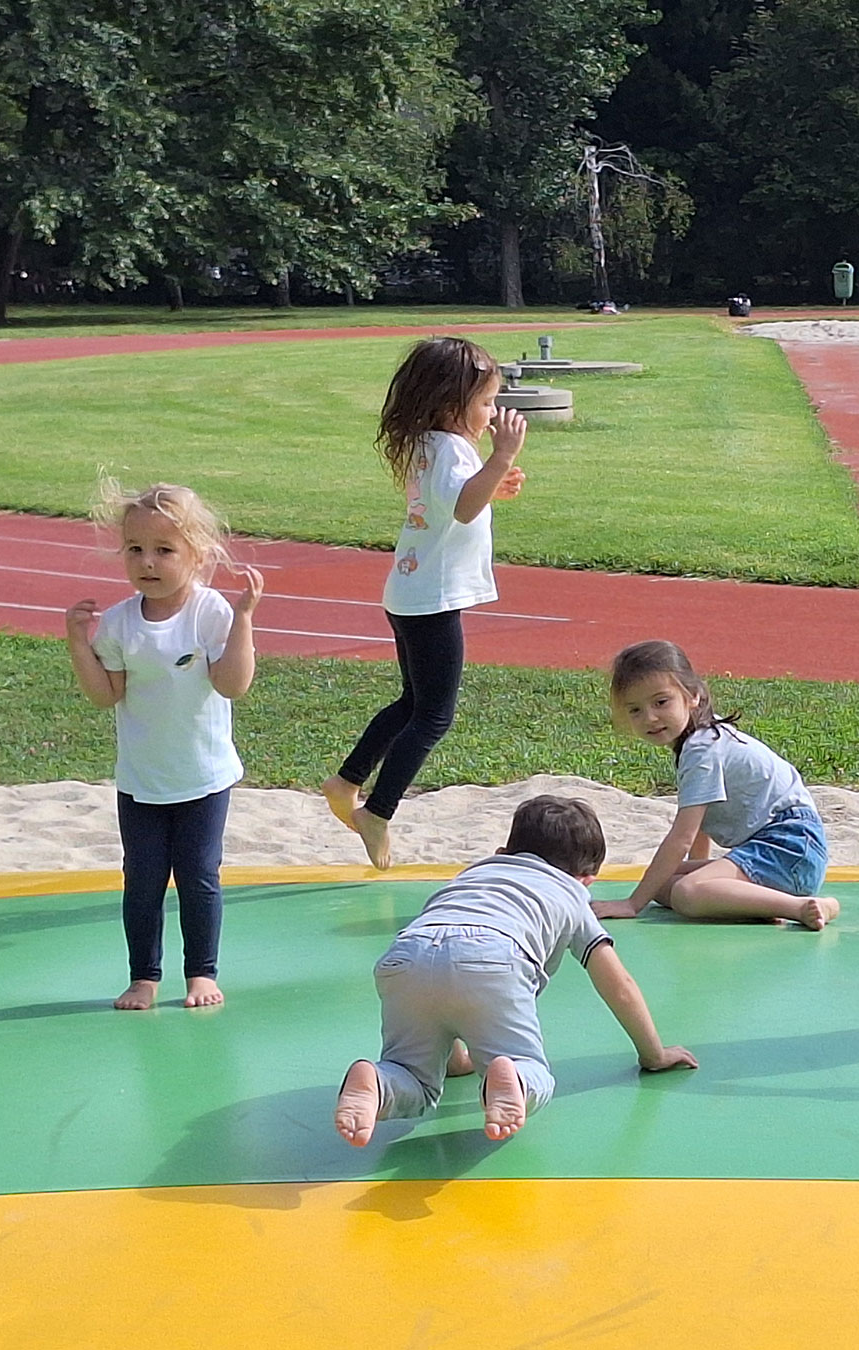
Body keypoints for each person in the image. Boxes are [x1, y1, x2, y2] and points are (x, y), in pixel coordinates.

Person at [334, 795, 698, 1145]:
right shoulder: (571, 894)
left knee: (413, 1075)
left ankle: (379, 1083)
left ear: (502, 853)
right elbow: (619, 985)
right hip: (494, 959)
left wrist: (457, 1056)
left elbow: (446, 969)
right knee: (529, 1067)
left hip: (406, 956)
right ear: (585, 879)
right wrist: (654, 1054)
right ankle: (516, 1081)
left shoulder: (474, 874)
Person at [324, 337, 527, 870]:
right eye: (485, 403)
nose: (491, 413)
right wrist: (501, 456)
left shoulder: (428, 444)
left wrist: (495, 482)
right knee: (434, 715)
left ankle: (347, 781)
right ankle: (378, 810)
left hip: (410, 593)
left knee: (411, 703)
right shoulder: (454, 450)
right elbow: (461, 508)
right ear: (447, 404)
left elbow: (454, 501)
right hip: (432, 600)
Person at [65, 481, 263, 1011]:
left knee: (198, 875)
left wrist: (243, 622)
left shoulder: (210, 612)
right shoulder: (121, 622)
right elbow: (106, 694)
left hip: (203, 775)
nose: (147, 562)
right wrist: (78, 646)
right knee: (143, 879)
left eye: (164, 550)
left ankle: (201, 972)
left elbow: (232, 684)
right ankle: (143, 977)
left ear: (197, 556)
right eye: (135, 550)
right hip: (141, 779)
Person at [592, 640, 840, 929]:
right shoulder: (698, 740)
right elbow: (701, 825)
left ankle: (801, 908)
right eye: (635, 710)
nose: (650, 717)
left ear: (693, 695)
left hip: (791, 848)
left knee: (687, 892)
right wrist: (707, 885)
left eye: (661, 702)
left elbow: (682, 836)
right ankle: (753, 903)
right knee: (662, 884)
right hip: (782, 851)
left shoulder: (702, 749)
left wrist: (632, 905)